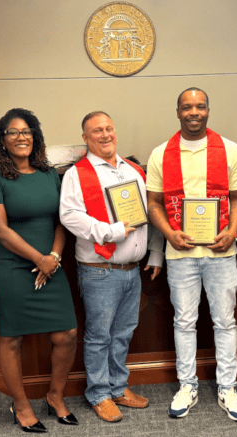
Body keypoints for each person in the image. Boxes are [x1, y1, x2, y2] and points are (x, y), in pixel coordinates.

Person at [146, 88, 237, 421]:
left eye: (200, 106)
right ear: (177, 112)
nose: (194, 112)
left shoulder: (229, 150)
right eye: (187, 107)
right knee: (184, 322)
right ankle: (187, 385)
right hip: (181, 255)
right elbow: (154, 205)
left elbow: (236, 201)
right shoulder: (161, 153)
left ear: (208, 110)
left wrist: (232, 233)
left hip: (222, 253)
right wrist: (169, 233)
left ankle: (227, 388)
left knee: (225, 321)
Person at [59, 111, 164, 423]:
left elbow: (152, 212)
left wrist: (156, 252)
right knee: (99, 335)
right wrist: (111, 231)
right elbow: (70, 215)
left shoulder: (133, 169)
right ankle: (99, 393)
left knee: (123, 333)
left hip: (132, 269)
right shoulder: (77, 174)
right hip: (99, 270)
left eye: (108, 128)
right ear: (85, 137)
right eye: (96, 131)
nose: (104, 135)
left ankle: (118, 387)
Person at [0, 108, 78, 433]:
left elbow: (60, 220)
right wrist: (38, 259)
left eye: (27, 131)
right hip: (13, 268)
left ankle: (55, 395)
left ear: (35, 137)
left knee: (66, 334)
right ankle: (21, 405)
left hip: (52, 263)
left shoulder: (49, 174)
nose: (21, 137)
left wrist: (52, 257)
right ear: (1, 140)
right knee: (11, 340)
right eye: (13, 132)